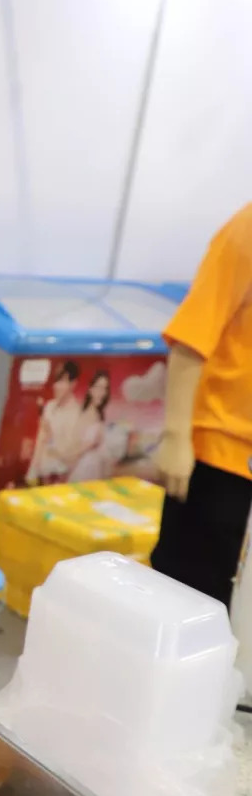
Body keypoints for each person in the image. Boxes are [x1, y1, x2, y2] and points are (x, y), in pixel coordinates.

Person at [152, 203, 252, 608]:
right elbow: (192, 339)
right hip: (219, 460)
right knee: (186, 603)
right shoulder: (246, 229)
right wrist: (176, 437)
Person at [25, 361, 83, 486]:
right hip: (42, 475)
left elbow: (71, 456)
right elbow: (40, 441)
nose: (57, 386)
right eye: (56, 381)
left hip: (60, 479)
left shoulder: (77, 414)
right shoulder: (49, 406)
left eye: (62, 381)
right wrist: (32, 471)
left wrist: (51, 437)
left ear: (73, 384)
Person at [67, 369, 112, 482]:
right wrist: (90, 445)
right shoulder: (86, 414)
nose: (102, 392)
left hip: (96, 468)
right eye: (99, 387)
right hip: (86, 469)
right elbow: (75, 445)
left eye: (105, 388)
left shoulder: (98, 414)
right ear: (91, 389)